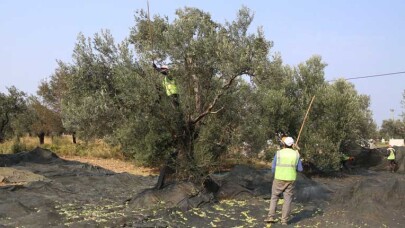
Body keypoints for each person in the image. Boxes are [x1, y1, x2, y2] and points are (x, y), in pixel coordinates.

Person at [265, 137, 303, 225]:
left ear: (284, 144)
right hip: (290, 179)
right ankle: (284, 220)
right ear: (293, 145)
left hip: (278, 178)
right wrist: (297, 152)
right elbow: (300, 169)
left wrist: (275, 174)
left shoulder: (279, 153)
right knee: (287, 199)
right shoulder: (296, 154)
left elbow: (273, 167)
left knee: (274, 197)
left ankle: (271, 216)